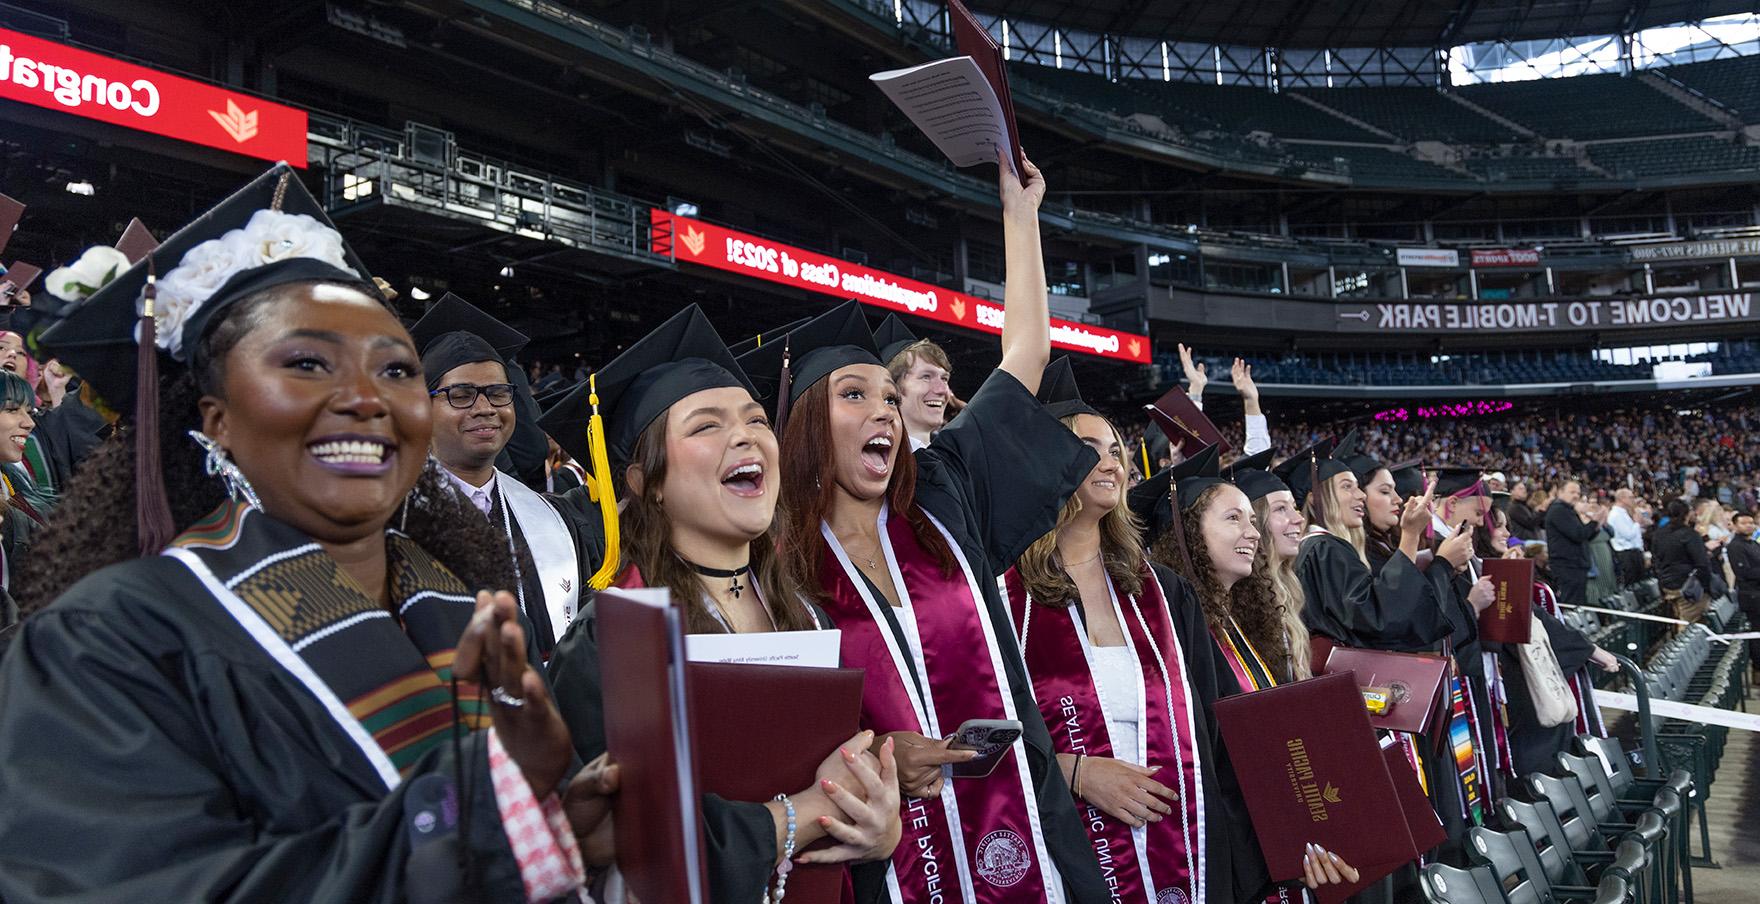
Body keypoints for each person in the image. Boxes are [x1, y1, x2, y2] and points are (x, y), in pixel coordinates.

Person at [0, 164, 595, 901]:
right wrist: (479, 814)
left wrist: (567, 825)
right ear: (214, 418)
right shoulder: (110, 638)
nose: (365, 398)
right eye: (308, 363)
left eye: (396, 369)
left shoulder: (456, 595)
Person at [767, 154, 1113, 903]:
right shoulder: (777, 569)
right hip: (887, 865)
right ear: (803, 428)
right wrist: (885, 751)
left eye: (890, 397)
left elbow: (1025, 356)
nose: (884, 412)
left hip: (1031, 831)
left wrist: (1019, 216)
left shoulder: (945, 494)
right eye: (855, 395)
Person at [540, 303, 902, 902]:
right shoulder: (611, 641)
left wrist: (880, 825)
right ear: (645, 483)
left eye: (757, 419)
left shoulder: (807, 617)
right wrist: (801, 815)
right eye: (706, 425)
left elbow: (851, 797)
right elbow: (622, 842)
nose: (744, 434)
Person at [1002, 358, 1220, 904]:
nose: (1112, 463)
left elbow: (1218, 723)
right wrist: (1073, 772)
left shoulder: (1163, 595)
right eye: (1089, 448)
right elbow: (978, 726)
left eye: (1116, 450)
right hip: (1066, 851)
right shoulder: (1003, 595)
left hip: (1183, 849)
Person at [1146, 443, 1361, 898]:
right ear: (1187, 532)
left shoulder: (1235, 626)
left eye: (1251, 518)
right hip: (1222, 853)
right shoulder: (1175, 637)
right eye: (1233, 519)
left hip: (1269, 843)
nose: (1254, 533)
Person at [413, 293, 587, 656]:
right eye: (461, 395)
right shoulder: (394, 514)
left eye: (497, 393)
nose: (485, 408)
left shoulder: (551, 516)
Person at [1479, 507, 1617, 778]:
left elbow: (1534, 615)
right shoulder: (1478, 572)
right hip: (1507, 685)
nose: (1508, 533)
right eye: (1499, 526)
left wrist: (1589, 649)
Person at [885, 331, 957, 450]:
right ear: (893, 389)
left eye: (944, 379)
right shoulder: (880, 462)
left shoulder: (953, 462)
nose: (942, 390)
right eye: (926, 377)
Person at [1543, 479, 1609, 607]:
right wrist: (1594, 522)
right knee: (1572, 604)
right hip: (1568, 566)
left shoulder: (1568, 510)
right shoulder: (1559, 510)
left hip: (1575, 565)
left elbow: (1584, 536)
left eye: (1578, 493)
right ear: (1560, 492)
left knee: (1578, 603)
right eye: (1572, 492)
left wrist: (1596, 525)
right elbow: (1578, 534)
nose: (1576, 495)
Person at [1652, 499, 1714, 629]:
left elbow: (1655, 560)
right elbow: (1702, 564)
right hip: (1687, 586)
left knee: (1679, 619)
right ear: (1687, 514)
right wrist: (1706, 587)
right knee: (1690, 625)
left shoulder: (1659, 533)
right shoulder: (1689, 534)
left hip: (1667, 584)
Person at [1727, 511, 1760, 671]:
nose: (1749, 525)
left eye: (1751, 522)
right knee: (1756, 634)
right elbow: (1744, 573)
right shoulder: (1735, 546)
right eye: (1744, 523)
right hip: (1752, 597)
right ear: (1734, 525)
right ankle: (1757, 668)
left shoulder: (1753, 543)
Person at [1607, 487, 1646, 584]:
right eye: (1631, 497)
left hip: (1633, 552)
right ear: (1622, 499)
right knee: (1632, 583)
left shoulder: (1624, 513)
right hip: (1626, 554)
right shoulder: (1616, 514)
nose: (1633, 500)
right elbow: (1628, 535)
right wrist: (1637, 523)